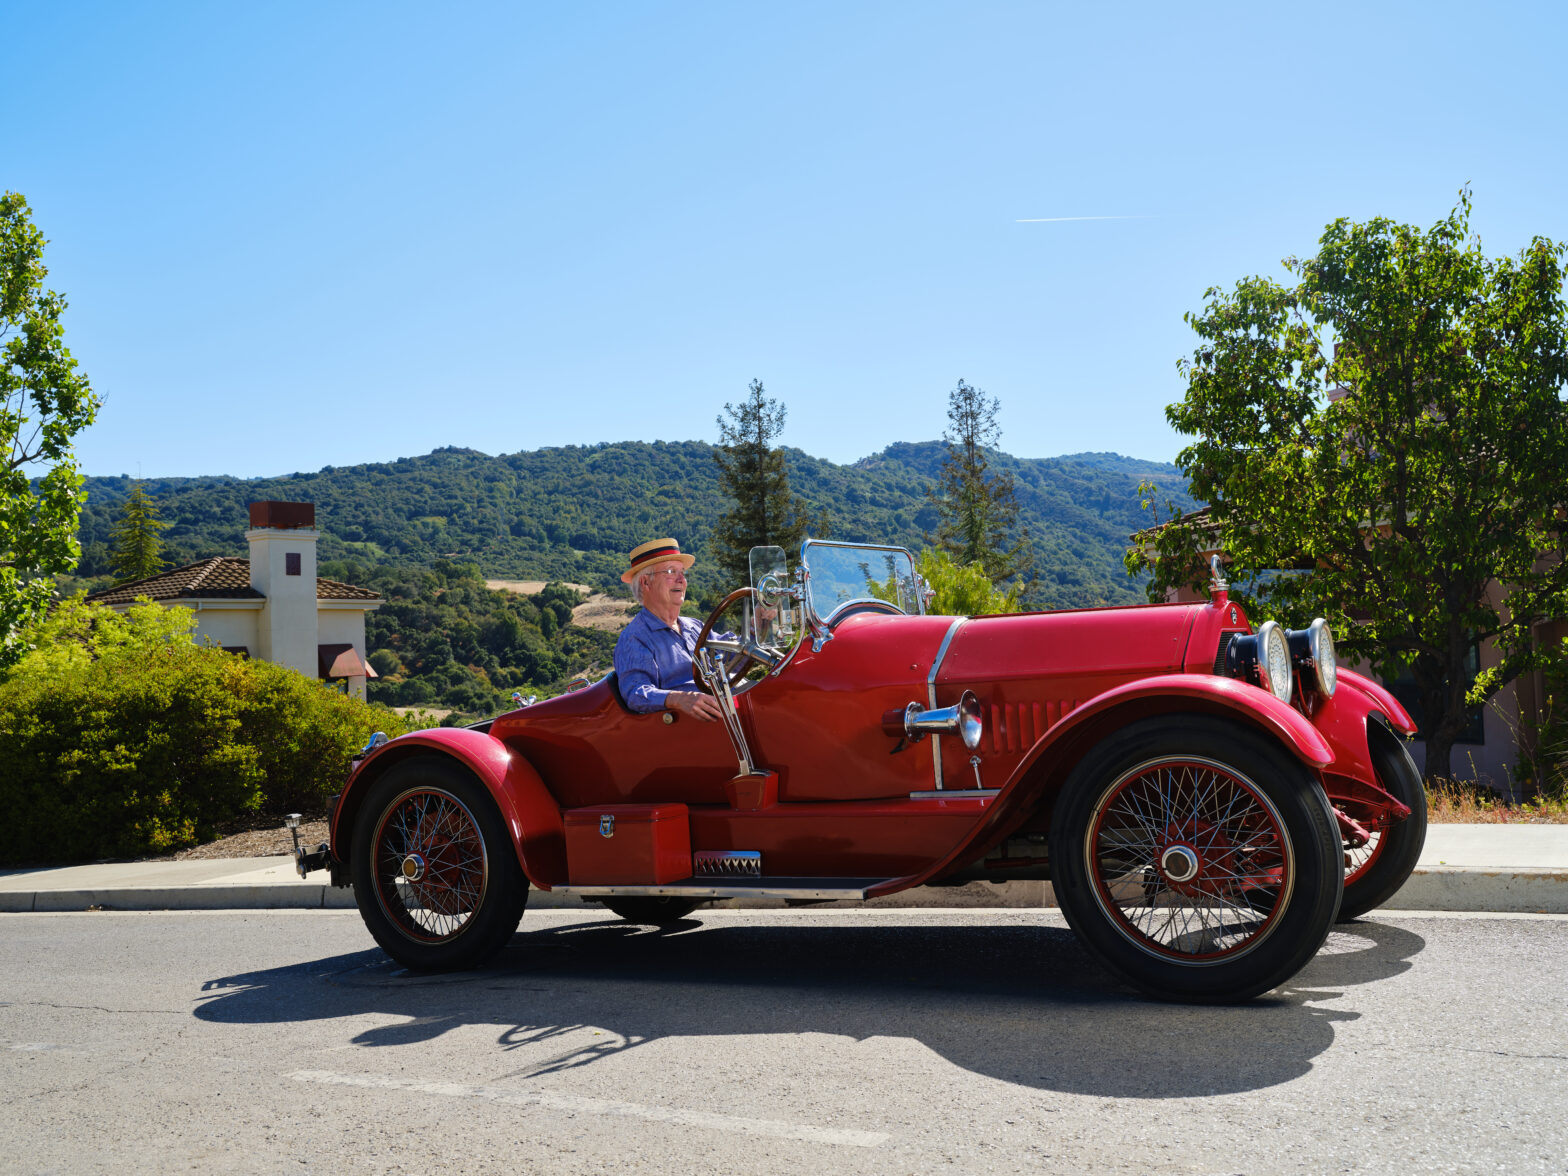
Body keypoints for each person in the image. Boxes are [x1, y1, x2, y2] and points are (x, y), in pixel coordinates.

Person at [613, 538, 725, 721]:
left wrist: (758, 626)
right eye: (671, 572)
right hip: (689, 727)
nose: (682, 580)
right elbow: (635, 693)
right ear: (645, 583)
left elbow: (732, 653)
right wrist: (679, 699)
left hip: (726, 713)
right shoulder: (635, 638)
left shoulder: (694, 626)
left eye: (683, 573)